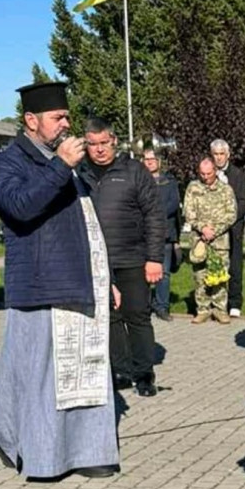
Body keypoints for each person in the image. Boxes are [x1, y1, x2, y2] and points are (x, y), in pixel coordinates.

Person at [0, 81, 119, 479]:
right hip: (39, 288)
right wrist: (59, 166)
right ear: (31, 121)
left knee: (89, 370)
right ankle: (41, 455)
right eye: (57, 117)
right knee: (41, 378)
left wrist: (106, 279)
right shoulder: (8, 162)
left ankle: (87, 451)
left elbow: (87, 225)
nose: (66, 123)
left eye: (67, 116)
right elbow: (21, 208)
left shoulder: (72, 165)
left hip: (80, 284)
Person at [79, 118, 165, 397]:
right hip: (97, 261)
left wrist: (154, 258)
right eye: (92, 144)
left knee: (137, 315)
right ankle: (121, 370)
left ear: (114, 141)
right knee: (110, 318)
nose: (99, 149)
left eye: (104, 143)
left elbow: (154, 215)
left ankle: (144, 373)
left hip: (133, 257)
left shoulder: (133, 170)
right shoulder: (80, 172)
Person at [184, 157, 237, 324]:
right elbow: (188, 212)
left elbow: (231, 214)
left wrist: (215, 230)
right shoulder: (193, 187)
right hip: (199, 241)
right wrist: (202, 228)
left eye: (208, 173)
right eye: (202, 173)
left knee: (220, 276)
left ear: (215, 171)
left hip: (219, 242)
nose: (205, 176)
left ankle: (220, 309)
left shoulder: (226, 190)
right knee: (200, 276)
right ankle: (202, 309)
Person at [210, 139, 245, 318]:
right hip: (213, 229)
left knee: (234, 266)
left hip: (233, 228)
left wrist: (229, 220)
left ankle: (234, 302)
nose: (218, 158)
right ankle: (215, 302)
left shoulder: (237, 175)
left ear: (228, 155)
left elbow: (244, 202)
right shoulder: (207, 173)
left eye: (221, 154)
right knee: (213, 265)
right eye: (215, 154)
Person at [143, 149, 181, 321]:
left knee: (163, 273)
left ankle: (162, 306)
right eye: (146, 159)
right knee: (141, 273)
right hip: (142, 234)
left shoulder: (169, 182)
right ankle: (143, 305)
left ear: (159, 161)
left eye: (152, 159)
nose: (149, 162)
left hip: (164, 233)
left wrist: (154, 214)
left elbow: (173, 204)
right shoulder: (138, 180)